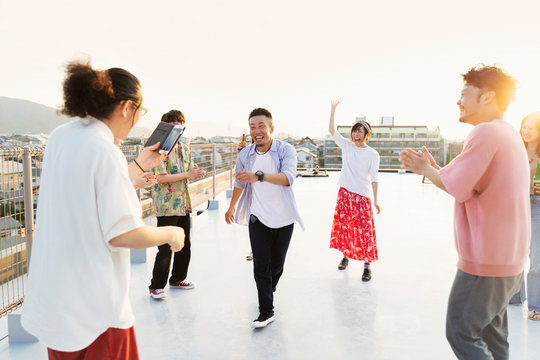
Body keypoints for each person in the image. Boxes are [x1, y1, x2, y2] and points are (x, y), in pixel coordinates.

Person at [21, 61, 185, 359]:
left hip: (58, 307)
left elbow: (87, 191)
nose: (136, 120)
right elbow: (123, 234)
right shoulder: (104, 150)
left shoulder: (61, 136)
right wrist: (172, 231)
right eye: (139, 112)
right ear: (126, 107)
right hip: (95, 313)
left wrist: (139, 165)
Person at [399, 65, 530, 360]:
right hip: (508, 260)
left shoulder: (485, 132)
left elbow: (456, 187)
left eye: (464, 94)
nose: (458, 101)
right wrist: (434, 169)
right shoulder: (506, 133)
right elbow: (469, 184)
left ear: (487, 98)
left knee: (461, 332)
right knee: (492, 337)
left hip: (484, 261)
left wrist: (427, 170)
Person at [225, 108, 304, 329]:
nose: (256, 131)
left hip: (284, 218)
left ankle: (267, 292)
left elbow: (288, 178)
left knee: (277, 266)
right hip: (257, 216)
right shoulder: (245, 154)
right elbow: (240, 181)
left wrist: (258, 176)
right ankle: (266, 311)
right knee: (261, 266)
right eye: (252, 126)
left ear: (271, 128)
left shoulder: (286, 150)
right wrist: (231, 207)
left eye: (261, 125)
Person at [148, 110, 206, 299]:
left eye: (180, 125)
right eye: (173, 125)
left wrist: (196, 172)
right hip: (166, 205)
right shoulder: (159, 150)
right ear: (165, 127)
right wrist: (188, 175)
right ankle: (156, 286)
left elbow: (189, 171)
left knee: (184, 245)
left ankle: (178, 279)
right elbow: (161, 178)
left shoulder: (185, 148)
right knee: (165, 247)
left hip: (183, 203)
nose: (177, 129)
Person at [328, 100, 380, 281]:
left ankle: (367, 267)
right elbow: (332, 131)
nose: (356, 134)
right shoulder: (347, 146)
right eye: (354, 131)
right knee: (345, 227)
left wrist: (375, 200)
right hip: (345, 193)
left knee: (365, 231)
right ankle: (345, 257)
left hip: (362, 196)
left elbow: (374, 178)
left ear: (366, 134)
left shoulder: (373, 154)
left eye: (360, 131)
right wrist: (333, 110)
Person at [509, 112, 540, 321]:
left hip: (537, 206)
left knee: (536, 256)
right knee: (516, 254)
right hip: (516, 206)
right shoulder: (514, 151)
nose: (526, 131)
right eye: (524, 126)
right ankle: (515, 296)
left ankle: (536, 304)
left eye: (531, 127)